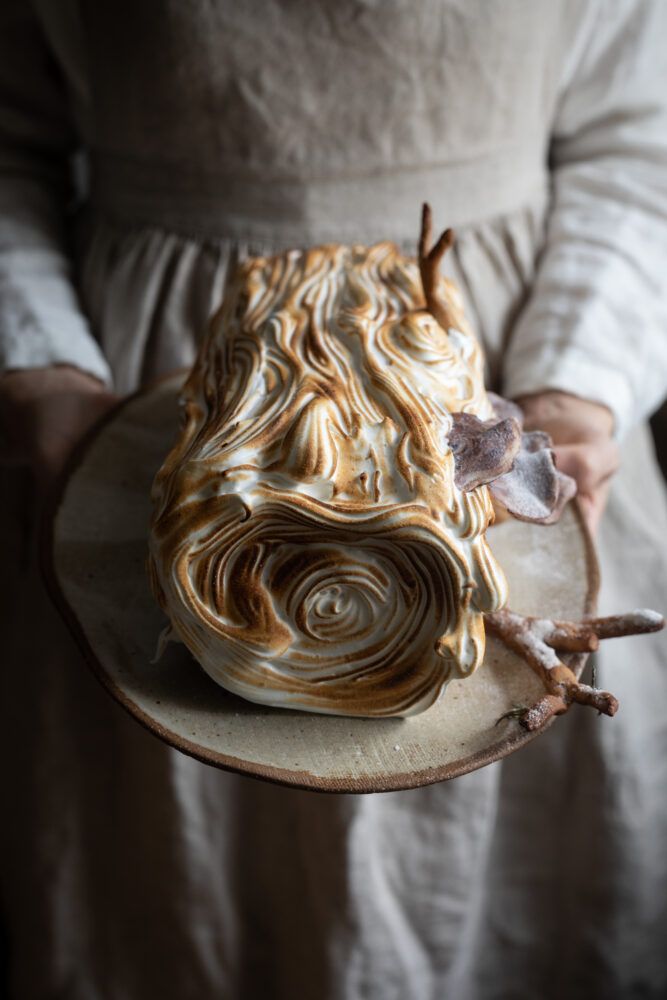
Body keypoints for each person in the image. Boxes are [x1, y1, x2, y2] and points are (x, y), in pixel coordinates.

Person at [1, 2, 666, 998]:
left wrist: (578, 381)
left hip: (500, 372)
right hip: (140, 386)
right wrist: (39, 365)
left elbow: (635, 138)